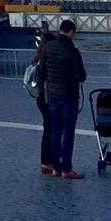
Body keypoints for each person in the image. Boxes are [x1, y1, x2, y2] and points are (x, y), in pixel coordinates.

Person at [37, 18, 87, 179]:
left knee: (55, 132)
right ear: (71, 31)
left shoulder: (48, 48)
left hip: (52, 95)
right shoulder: (72, 51)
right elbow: (82, 75)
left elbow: (41, 72)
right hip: (69, 96)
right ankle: (66, 168)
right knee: (68, 133)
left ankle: (56, 168)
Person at [29, 26, 55, 175]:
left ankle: (46, 162)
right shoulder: (46, 59)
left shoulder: (37, 58)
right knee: (51, 130)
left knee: (47, 129)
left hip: (41, 97)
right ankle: (49, 161)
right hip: (48, 96)